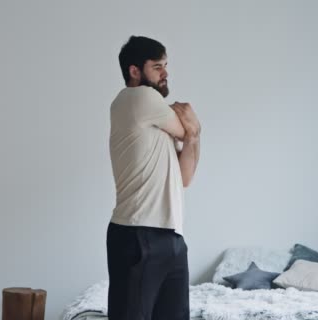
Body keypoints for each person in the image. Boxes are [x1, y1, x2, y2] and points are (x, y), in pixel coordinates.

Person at [106, 35, 201, 320]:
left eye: (166, 66)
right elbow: (187, 130)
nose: (165, 73)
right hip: (138, 233)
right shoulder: (139, 98)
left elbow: (185, 177)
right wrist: (193, 128)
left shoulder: (157, 124)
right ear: (135, 71)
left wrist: (195, 133)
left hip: (170, 236)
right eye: (157, 66)